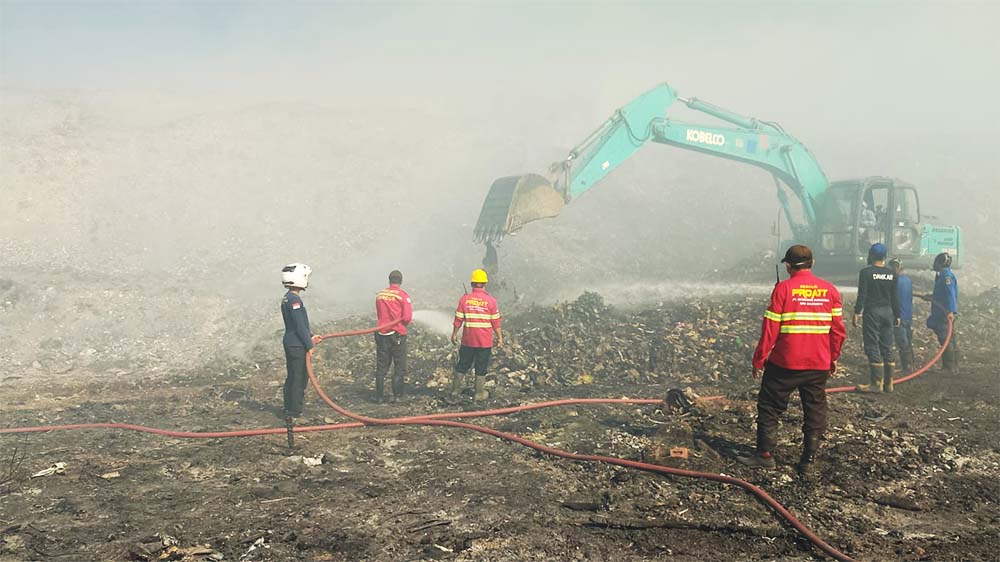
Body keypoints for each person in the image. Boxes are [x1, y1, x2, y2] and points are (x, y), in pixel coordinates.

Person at [738, 245, 846, 475]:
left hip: (784, 364)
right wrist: (833, 357)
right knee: (814, 410)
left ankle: (765, 456)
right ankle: (808, 461)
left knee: (769, 407)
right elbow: (838, 331)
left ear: (787, 266)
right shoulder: (830, 291)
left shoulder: (783, 290)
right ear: (812, 263)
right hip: (818, 364)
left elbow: (770, 330)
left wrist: (759, 358)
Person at [853, 243, 901, 393]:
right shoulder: (892, 274)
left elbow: (862, 295)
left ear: (871, 256)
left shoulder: (866, 273)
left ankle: (876, 384)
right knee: (887, 346)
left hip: (872, 312)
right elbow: (894, 297)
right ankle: (889, 384)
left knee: (872, 345)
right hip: (888, 312)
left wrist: (857, 312)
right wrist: (897, 314)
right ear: (885, 257)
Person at [450, 269, 503, 402]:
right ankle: (479, 393)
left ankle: (454, 391)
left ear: (472, 284)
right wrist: (500, 337)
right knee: (481, 367)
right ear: (485, 284)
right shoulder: (491, 301)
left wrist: (454, 334)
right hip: (484, 342)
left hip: (468, 341)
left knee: (462, 364)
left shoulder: (465, 300)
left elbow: (458, 320)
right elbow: (495, 322)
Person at [280, 263, 322, 426]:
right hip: (297, 344)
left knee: (292, 376)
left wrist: (311, 336)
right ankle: (294, 412)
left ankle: (288, 408)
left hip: (292, 342)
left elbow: (300, 325)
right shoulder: (295, 300)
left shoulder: (288, 297)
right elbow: (298, 325)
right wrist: (309, 345)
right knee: (299, 378)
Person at [374, 270, 412, 403]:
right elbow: (407, 318)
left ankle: (379, 397)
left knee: (381, 367)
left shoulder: (380, 295)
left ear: (389, 280)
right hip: (397, 335)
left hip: (381, 333)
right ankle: (397, 396)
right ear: (400, 281)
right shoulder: (402, 296)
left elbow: (380, 313)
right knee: (399, 366)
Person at [920, 252, 959, 374]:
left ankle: (949, 368)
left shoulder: (946, 277)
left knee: (946, 339)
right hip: (942, 312)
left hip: (944, 314)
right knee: (950, 339)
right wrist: (930, 297)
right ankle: (952, 367)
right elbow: (941, 295)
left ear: (940, 263)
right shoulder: (942, 276)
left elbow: (950, 295)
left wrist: (951, 312)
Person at [889, 258, 915, 373]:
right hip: (908, 316)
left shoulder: (893, 282)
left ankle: (907, 367)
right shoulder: (908, 281)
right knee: (908, 341)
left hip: (898, 317)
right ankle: (910, 364)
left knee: (902, 342)